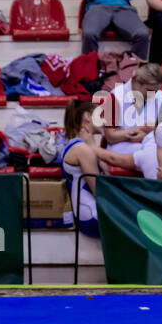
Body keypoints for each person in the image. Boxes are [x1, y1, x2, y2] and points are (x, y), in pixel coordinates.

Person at [99, 61, 162, 167]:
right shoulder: (114, 96)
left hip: (150, 143)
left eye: (156, 91)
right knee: (152, 156)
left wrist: (149, 133)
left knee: (159, 153)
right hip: (120, 145)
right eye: (149, 90)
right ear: (138, 82)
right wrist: (137, 131)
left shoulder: (160, 96)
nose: (153, 95)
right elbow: (111, 137)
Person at [60, 100, 102, 237]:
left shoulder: (79, 145)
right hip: (91, 214)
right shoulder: (83, 150)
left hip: (86, 209)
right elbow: (99, 191)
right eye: (100, 115)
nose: (104, 119)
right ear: (87, 117)